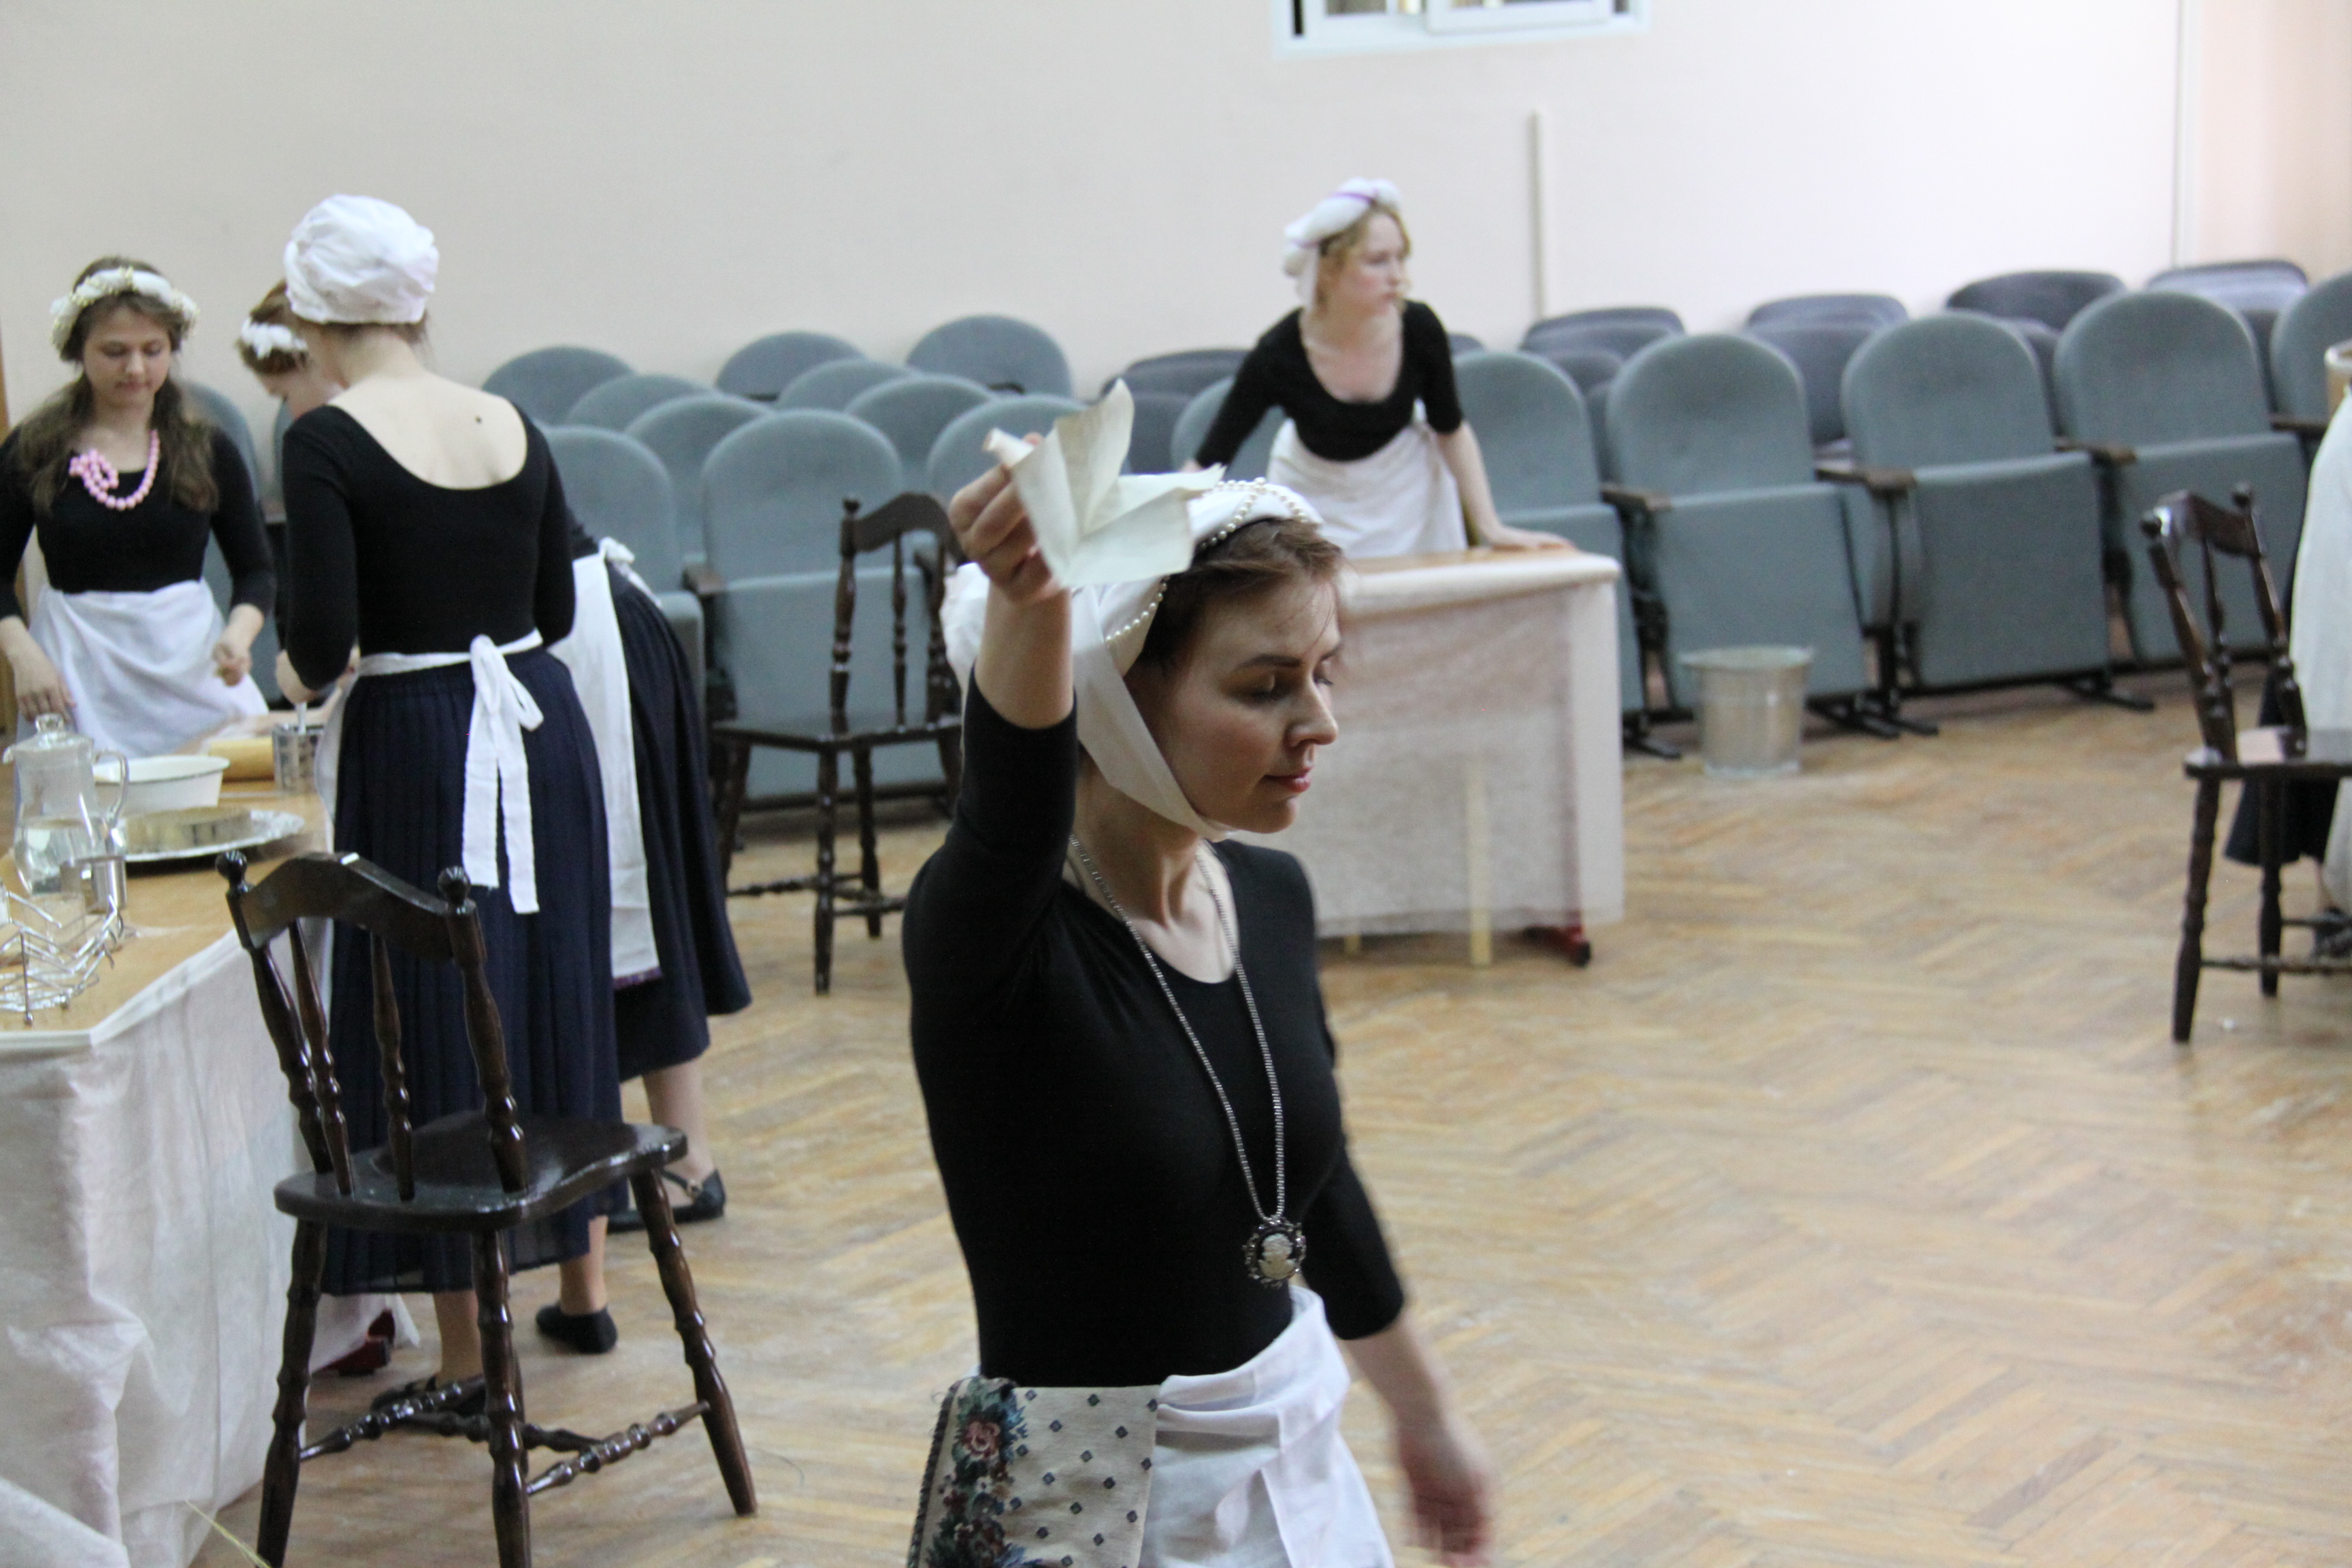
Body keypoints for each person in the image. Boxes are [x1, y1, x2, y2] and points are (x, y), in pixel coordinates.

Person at [902, 463, 1494, 1565]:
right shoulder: (994, 939)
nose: (1320, 722)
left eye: (1322, 672)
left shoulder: (1268, 897)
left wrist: (1426, 1413)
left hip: (1292, 1451)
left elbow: (1312, 1187)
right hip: (1085, 1504)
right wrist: (1036, 598)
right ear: (1114, 695)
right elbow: (1010, 802)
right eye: (1266, 686)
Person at [274, 194, 625, 1402]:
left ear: (315, 316)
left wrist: (290, 677)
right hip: (537, 722)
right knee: (551, 987)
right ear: (417, 304)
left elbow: (320, 644)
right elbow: (557, 609)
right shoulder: (509, 418)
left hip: (423, 741)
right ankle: (584, 1283)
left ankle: (474, 1355)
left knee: (429, 1012)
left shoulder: (325, 439)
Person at [549, 514, 751, 1232]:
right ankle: (677, 1158)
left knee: (634, 906)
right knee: (628, 906)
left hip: (592, 639)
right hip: (589, 629)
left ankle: (686, 1163)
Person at [1189, 178, 1567, 559]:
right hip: (1316, 501)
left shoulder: (1419, 329)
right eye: (1378, 261)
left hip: (1410, 498)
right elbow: (1211, 457)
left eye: (1401, 258)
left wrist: (1491, 526)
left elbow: (1450, 429)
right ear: (1329, 270)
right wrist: (1169, 528)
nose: (1399, 277)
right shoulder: (1279, 353)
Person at [0, 258, 272, 755]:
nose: (135, 369)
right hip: (77, 673)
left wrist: (238, 635)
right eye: (115, 352)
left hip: (190, 674)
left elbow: (256, 570)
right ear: (78, 350)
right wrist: (24, 656)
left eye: (153, 350)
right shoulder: (36, 448)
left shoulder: (206, 447)